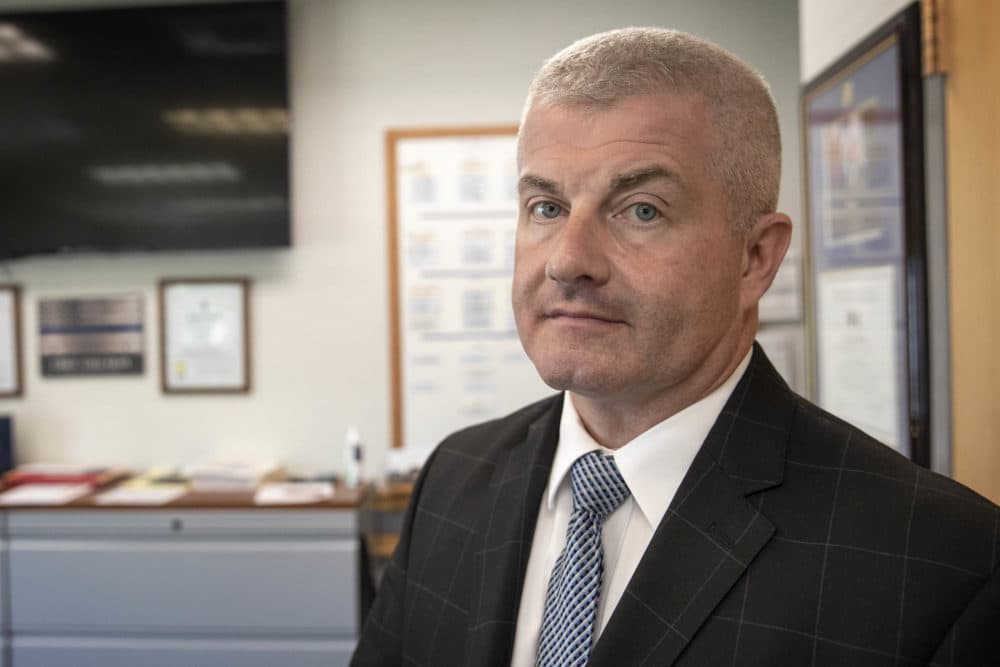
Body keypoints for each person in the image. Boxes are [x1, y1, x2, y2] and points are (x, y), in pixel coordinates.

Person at [352, 28, 999, 666]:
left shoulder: (942, 564)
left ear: (755, 257)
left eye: (640, 210)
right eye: (546, 207)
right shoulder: (454, 478)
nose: (568, 261)